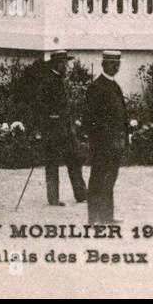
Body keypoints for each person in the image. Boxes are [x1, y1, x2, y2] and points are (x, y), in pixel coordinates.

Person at [83, 50, 128, 224]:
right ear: (103, 64)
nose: (116, 66)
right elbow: (89, 120)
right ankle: (93, 219)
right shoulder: (96, 87)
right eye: (111, 63)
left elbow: (122, 116)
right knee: (97, 180)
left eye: (118, 63)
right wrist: (103, 140)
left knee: (110, 180)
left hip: (116, 144)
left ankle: (107, 217)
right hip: (102, 145)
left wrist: (124, 138)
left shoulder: (114, 86)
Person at [38, 50, 87, 207]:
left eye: (66, 63)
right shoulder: (47, 82)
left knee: (74, 160)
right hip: (53, 130)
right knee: (52, 163)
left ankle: (81, 194)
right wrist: (52, 118)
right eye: (64, 63)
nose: (66, 66)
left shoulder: (60, 80)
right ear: (57, 64)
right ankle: (53, 198)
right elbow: (41, 107)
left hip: (67, 130)